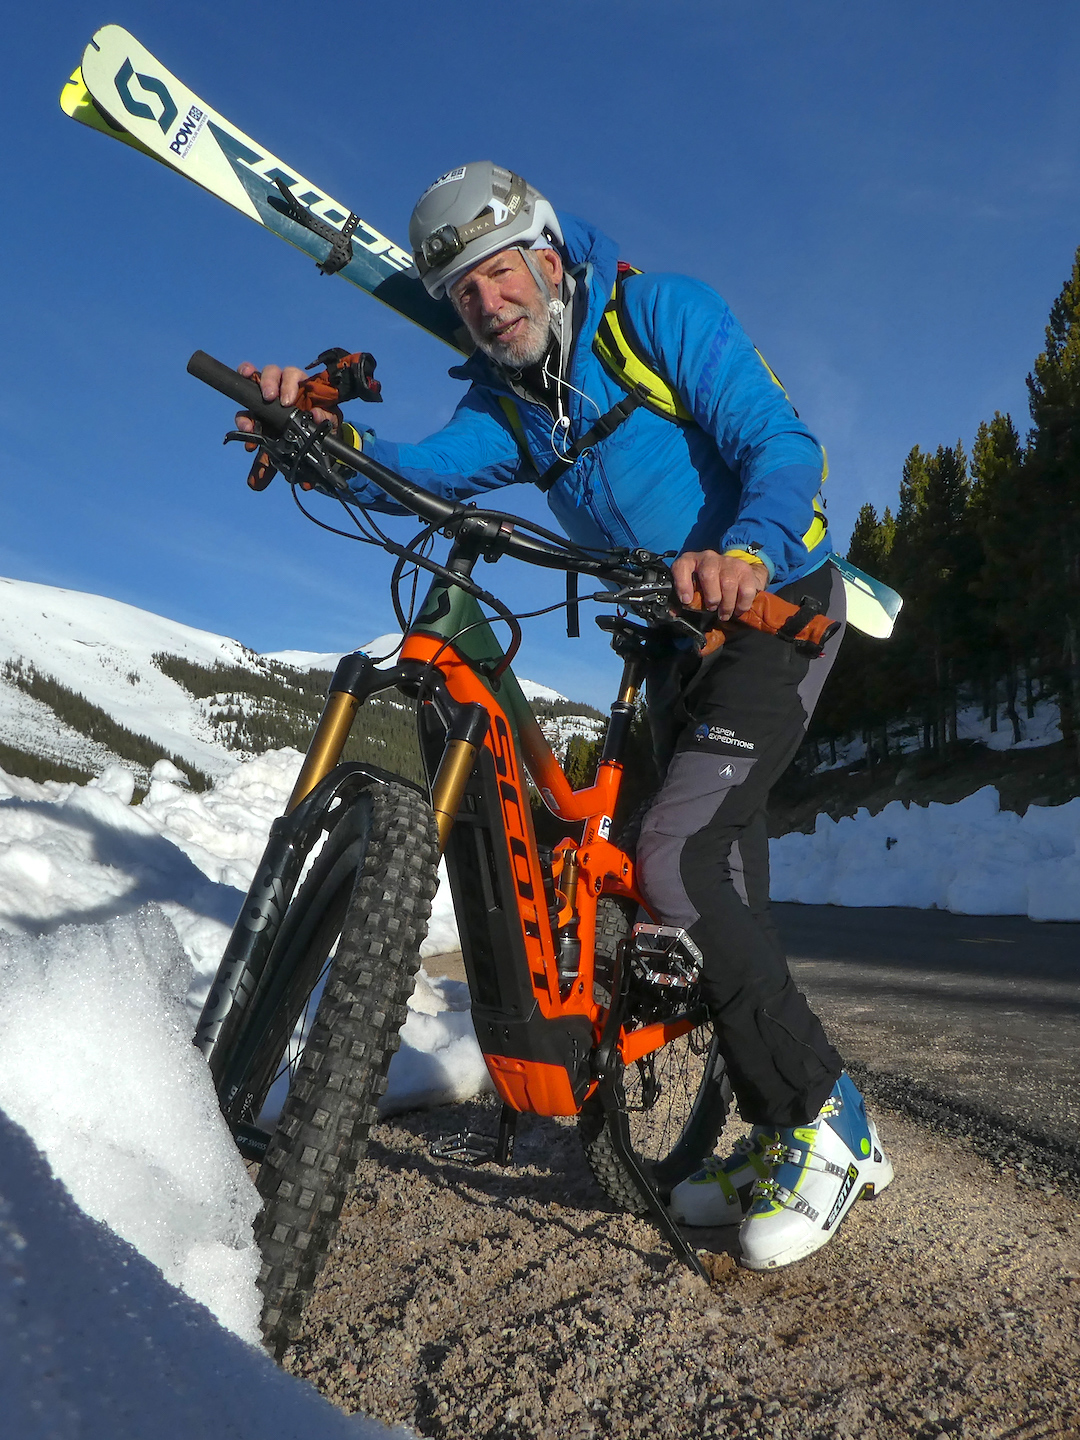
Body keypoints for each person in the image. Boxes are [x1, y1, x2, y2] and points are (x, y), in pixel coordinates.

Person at [237, 162, 893, 1270]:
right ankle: (777, 1122)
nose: (488, 306)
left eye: (499, 277)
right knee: (668, 877)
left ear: (546, 258)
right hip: (666, 638)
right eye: (463, 296)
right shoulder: (510, 405)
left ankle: (827, 1117)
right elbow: (423, 473)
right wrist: (318, 438)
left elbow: (779, 445)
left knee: (680, 856)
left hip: (772, 607)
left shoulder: (659, 314)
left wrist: (745, 555)